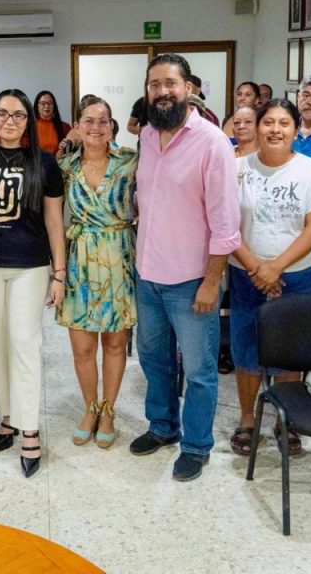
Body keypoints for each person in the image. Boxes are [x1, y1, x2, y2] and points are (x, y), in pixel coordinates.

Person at [129, 54, 240, 481]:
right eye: (154, 84)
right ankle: (162, 426)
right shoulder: (147, 136)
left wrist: (211, 283)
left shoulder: (212, 142)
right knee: (153, 359)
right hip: (148, 276)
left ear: (188, 88)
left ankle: (196, 444)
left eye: (170, 83)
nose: (162, 92)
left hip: (192, 281)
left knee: (198, 370)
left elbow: (225, 224)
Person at [0, 89, 66, 478]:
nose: (10, 121)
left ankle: (30, 428)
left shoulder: (44, 163)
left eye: (18, 115)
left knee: (26, 344)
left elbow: (54, 221)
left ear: (28, 122)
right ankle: (7, 415)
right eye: (2, 113)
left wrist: (59, 272)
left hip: (30, 266)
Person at [227, 99, 311, 458]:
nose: (275, 130)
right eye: (268, 122)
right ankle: (247, 418)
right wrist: (257, 268)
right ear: (257, 127)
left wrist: (276, 267)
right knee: (246, 347)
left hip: (297, 276)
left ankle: (285, 418)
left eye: (284, 123)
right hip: (246, 274)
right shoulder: (236, 168)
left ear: (295, 129)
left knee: (290, 351)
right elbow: (225, 223)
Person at [57, 95, 137, 449]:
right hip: (80, 259)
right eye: (88, 120)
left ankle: (108, 410)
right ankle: (90, 407)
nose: (96, 127)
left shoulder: (130, 162)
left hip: (119, 255)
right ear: (77, 126)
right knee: (82, 345)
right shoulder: (64, 167)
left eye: (103, 120)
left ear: (112, 126)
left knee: (115, 342)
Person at [34, 90, 72, 155]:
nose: (47, 106)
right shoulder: (30, 126)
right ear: (37, 106)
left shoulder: (65, 127)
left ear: (54, 106)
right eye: (43, 103)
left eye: (50, 103)